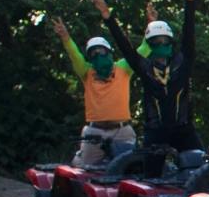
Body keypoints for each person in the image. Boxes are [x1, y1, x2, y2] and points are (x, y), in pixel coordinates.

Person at [100, 0, 201, 162]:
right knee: (150, 177)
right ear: (150, 45)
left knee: (199, 168)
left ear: (171, 42)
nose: (161, 45)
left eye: (165, 41)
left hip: (184, 131)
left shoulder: (183, 63)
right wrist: (106, 14)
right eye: (156, 42)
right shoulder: (144, 68)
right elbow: (124, 46)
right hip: (155, 132)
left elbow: (189, 32)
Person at [46, 12, 150, 167]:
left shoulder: (123, 68)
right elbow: (74, 55)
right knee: (84, 170)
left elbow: (142, 51)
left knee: (129, 169)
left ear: (109, 52)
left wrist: (151, 25)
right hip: (94, 131)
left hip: (122, 131)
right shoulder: (87, 72)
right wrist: (65, 37)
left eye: (101, 51)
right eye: (93, 54)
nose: (98, 56)